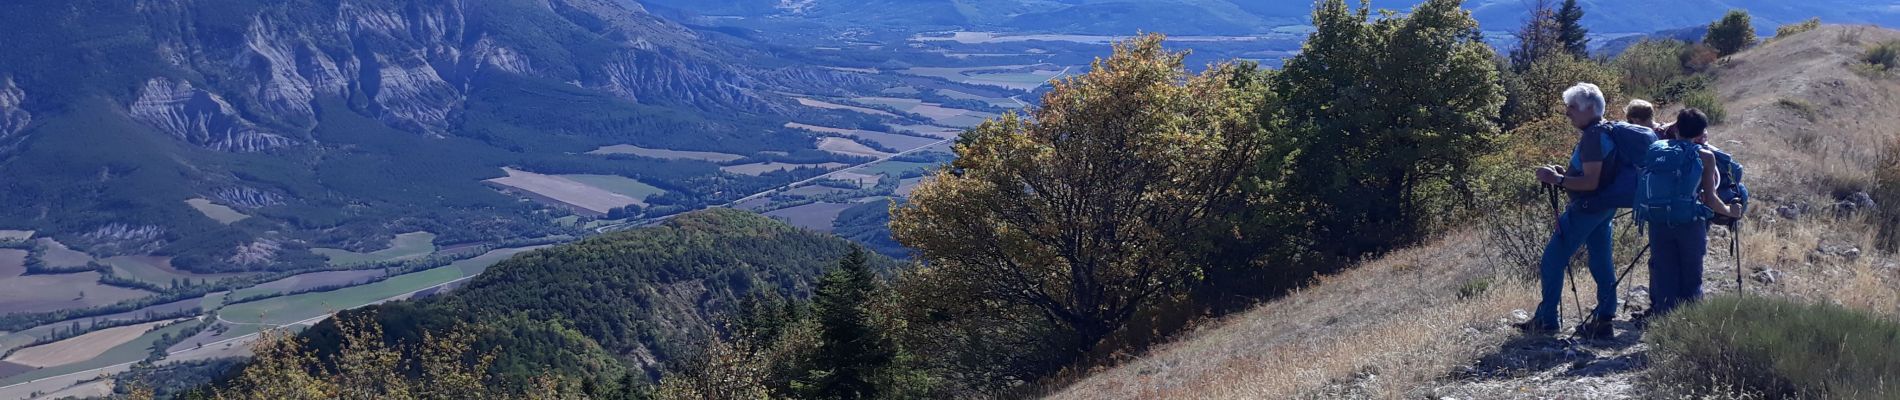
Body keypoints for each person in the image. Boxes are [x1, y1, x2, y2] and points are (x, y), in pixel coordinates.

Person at [1522, 83, 1653, 338]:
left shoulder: (1593, 137)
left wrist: (1556, 179)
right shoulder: (1606, 130)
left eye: (1572, 107)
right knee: (1601, 261)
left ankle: (1546, 320)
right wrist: (1564, 174)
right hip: (1604, 207)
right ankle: (1604, 319)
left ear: (1590, 108)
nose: (1567, 112)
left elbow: (1590, 182)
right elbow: (1596, 175)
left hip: (1587, 207)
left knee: (1552, 260)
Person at [1644, 109, 1743, 317]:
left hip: (1658, 220)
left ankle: (1663, 323)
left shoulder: (1656, 149)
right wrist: (1730, 212)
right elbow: (1710, 198)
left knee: (1664, 275)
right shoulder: (1705, 156)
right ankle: (1687, 327)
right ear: (1701, 133)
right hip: (1690, 222)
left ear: (1676, 128)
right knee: (1691, 277)